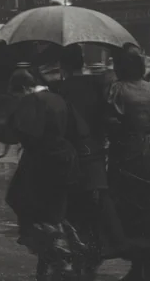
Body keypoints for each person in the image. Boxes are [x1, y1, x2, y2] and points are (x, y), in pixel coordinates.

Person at [0, 67, 83, 281]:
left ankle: (57, 255)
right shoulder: (58, 98)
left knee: (23, 203)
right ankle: (46, 270)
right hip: (65, 160)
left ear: (24, 88)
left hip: (41, 162)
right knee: (52, 214)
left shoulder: (31, 102)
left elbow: (21, 134)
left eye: (17, 94)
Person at [106, 49, 150, 281]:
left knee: (130, 210)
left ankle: (137, 266)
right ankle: (148, 265)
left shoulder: (117, 90)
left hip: (128, 152)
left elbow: (110, 122)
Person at [54, 45, 125, 263]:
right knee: (101, 198)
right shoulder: (95, 84)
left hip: (71, 154)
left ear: (63, 66)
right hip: (94, 150)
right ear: (82, 62)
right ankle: (115, 243)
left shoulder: (59, 89)